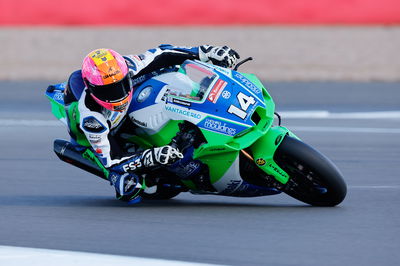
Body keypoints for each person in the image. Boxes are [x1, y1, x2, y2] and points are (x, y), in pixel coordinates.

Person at [63, 44, 240, 202]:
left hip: (132, 100)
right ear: (92, 89)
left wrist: (204, 52)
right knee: (128, 187)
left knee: (170, 70)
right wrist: (151, 156)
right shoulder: (91, 118)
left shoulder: (127, 66)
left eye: (121, 84)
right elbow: (111, 160)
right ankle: (118, 177)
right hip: (103, 134)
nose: (117, 94)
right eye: (109, 90)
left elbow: (163, 53)